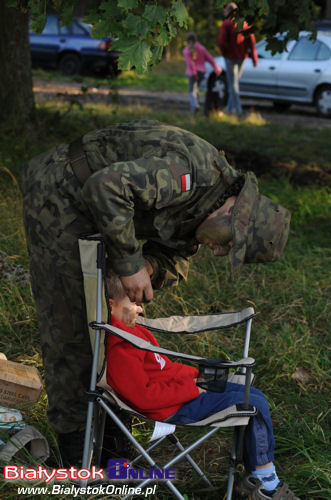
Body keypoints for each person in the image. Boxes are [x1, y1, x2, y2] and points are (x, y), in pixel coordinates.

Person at [20, 119, 290, 466]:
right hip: (60, 196)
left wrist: (148, 267)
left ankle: (113, 440)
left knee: (112, 329)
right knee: (73, 330)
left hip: (101, 209)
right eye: (229, 245)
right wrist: (130, 263)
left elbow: (177, 255)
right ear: (231, 213)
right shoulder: (187, 175)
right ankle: (79, 458)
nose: (220, 253)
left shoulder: (208, 202)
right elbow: (106, 186)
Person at [106, 270, 300, 500]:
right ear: (111, 305)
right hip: (173, 406)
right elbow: (143, 397)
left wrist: (194, 378)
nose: (141, 309)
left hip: (183, 391)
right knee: (253, 403)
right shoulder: (121, 347)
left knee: (253, 393)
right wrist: (192, 388)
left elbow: (165, 369)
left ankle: (254, 479)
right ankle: (267, 484)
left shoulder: (134, 332)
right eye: (135, 303)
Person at [218, 2, 258, 116]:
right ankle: (229, 109)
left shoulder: (226, 24)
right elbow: (251, 41)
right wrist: (254, 58)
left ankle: (238, 111)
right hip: (241, 58)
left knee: (233, 84)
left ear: (229, 11)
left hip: (230, 58)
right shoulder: (244, 24)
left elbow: (221, 42)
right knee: (234, 83)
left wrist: (225, 53)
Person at [183, 31, 222, 113]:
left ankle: (195, 106)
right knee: (195, 89)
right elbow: (210, 58)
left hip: (193, 73)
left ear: (187, 40)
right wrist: (215, 67)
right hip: (202, 72)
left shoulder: (186, 50)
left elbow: (190, 63)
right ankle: (195, 107)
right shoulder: (201, 48)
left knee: (191, 91)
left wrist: (194, 73)